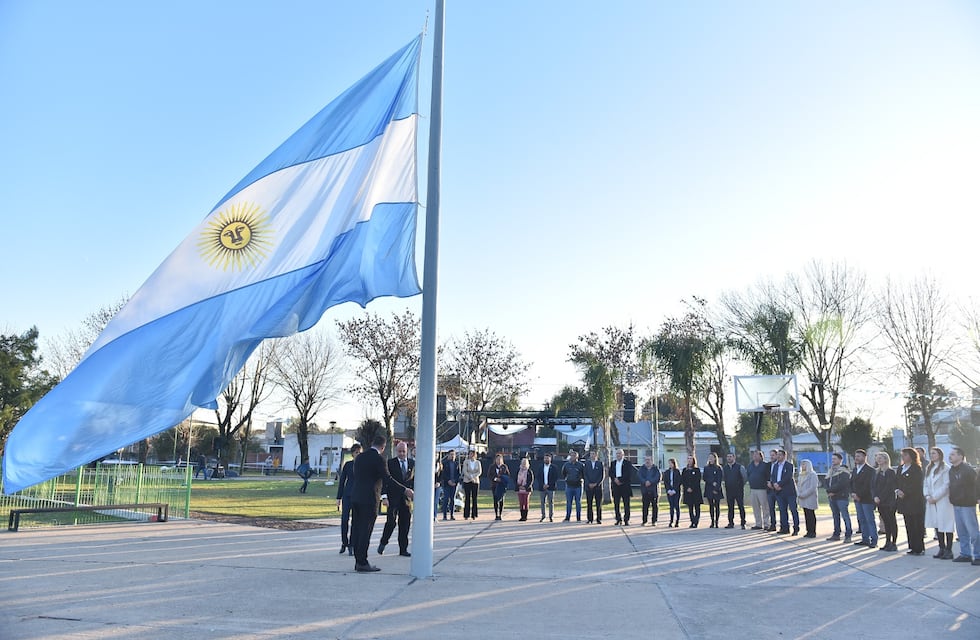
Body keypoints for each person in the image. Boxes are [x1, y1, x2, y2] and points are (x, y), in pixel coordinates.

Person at [351, 435, 405, 572]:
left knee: (357, 529)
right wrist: (404, 490)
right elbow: (387, 479)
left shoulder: (360, 457)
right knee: (366, 530)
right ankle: (362, 562)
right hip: (370, 499)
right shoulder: (379, 459)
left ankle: (358, 559)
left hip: (356, 497)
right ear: (383, 447)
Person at [378, 441, 415, 558]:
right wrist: (384, 497)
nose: (402, 454)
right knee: (391, 522)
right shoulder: (390, 463)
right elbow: (385, 481)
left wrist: (414, 493)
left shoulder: (412, 463)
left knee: (405, 524)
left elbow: (414, 480)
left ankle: (403, 549)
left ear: (407, 451)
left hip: (406, 500)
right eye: (399, 451)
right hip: (393, 498)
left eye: (404, 451)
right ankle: (383, 542)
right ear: (396, 451)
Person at [947, 446, 980, 565]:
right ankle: (965, 554)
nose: (950, 456)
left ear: (961, 456)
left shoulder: (968, 470)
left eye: (953, 454)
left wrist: (976, 498)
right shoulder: (951, 470)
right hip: (956, 504)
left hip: (967, 504)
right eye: (950, 454)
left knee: (973, 532)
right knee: (961, 532)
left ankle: (978, 555)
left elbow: (976, 485)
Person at [923, 447, 954, 559]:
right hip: (931, 500)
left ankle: (949, 550)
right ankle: (941, 548)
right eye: (930, 453)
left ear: (940, 455)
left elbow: (946, 485)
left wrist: (935, 497)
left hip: (943, 500)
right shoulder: (929, 468)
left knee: (946, 525)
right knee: (937, 525)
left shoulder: (945, 468)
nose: (932, 455)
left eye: (934, 453)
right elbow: (925, 483)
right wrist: (927, 495)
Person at [896, 447, 925, 555]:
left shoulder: (916, 468)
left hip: (914, 501)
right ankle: (912, 546)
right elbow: (896, 481)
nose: (903, 457)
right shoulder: (900, 468)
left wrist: (905, 492)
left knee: (917, 524)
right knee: (909, 524)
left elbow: (916, 485)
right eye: (902, 455)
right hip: (903, 501)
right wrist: (898, 490)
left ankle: (919, 547)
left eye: (906, 455)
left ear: (912, 456)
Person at [335, 443, 361, 556]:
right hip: (347, 495)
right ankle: (344, 542)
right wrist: (338, 497)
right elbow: (342, 481)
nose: (358, 455)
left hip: (358, 496)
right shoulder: (348, 465)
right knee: (344, 519)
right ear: (352, 454)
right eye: (356, 453)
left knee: (356, 521)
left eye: (360, 453)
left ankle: (352, 544)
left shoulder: (363, 465)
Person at [850, 449, 877, 549]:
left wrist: (859, 495)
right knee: (861, 519)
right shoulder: (854, 469)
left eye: (859, 456)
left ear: (865, 457)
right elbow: (851, 482)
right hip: (857, 499)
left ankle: (873, 539)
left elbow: (869, 485)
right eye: (856, 456)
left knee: (869, 519)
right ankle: (865, 538)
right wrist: (852, 493)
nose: (857, 458)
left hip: (867, 499)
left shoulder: (870, 470)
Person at [872, 451, 898, 552]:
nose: (878, 460)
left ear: (886, 459)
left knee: (891, 521)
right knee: (886, 522)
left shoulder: (890, 472)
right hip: (879, 501)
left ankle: (894, 543)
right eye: (877, 458)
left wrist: (881, 497)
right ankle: (887, 542)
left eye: (881, 458)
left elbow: (889, 487)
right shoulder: (877, 472)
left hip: (889, 501)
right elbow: (873, 486)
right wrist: (875, 496)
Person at [823, 452, 852, 542]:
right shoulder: (831, 470)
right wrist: (828, 490)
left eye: (835, 459)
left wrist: (832, 491)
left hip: (841, 497)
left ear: (840, 460)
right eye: (832, 459)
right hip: (832, 497)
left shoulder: (844, 471)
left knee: (845, 516)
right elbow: (826, 482)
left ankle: (848, 535)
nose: (833, 461)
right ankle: (836, 534)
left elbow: (842, 484)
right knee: (835, 516)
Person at [771, 449, 799, 535]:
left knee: (793, 510)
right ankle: (784, 528)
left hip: (789, 492)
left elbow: (788, 477)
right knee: (782, 510)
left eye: (780, 455)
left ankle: (796, 528)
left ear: (784, 456)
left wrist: (779, 484)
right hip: (779, 492)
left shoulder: (789, 465)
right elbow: (773, 476)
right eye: (777, 455)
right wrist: (774, 484)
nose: (778, 456)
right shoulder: (775, 466)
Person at [746, 450, 771, 531]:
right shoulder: (750, 465)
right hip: (753, 489)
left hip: (762, 489)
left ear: (761, 456)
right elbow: (748, 475)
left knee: (765, 507)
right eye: (754, 455)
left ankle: (767, 523)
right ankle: (758, 524)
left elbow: (768, 476)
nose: (755, 456)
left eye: (757, 455)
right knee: (755, 507)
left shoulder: (765, 465)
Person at [609, 449, 634, 526]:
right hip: (616, 486)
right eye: (617, 454)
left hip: (625, 485)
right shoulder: (613, 463)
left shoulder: (627, 463)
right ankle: (618, 519)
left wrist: (620, 480)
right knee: (616, 503)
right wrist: (615, 479)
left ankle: (626, 519)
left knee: (626, 504)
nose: (618, 455)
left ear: (623, 455)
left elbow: (628, 474)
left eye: (619, 453)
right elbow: (611, 473)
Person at [723, 452, 747, 529]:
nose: (729, 458)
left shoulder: (740, 467)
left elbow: (745, 478)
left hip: (738, 490)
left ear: (734, 457)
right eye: (728, 457)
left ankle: (743, 523)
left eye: (730, 456)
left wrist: (740, 485)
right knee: (730, 507)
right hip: (729, 490)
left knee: (741, 506)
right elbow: (724, 478)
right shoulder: (725, 468)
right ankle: (730, 522)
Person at [797, 459, 819, 538]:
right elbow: (799, 485)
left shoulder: (812, 474)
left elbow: (812, 487)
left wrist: (804, 494)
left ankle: (812, 531)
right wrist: (799, 493)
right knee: (806, 514)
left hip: (810, 497)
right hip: (802, 498)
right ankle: (808, 531)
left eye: (804, 464)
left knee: (811, 514)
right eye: (802, 465)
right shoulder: (801, 475)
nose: (802, 466)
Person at [637, 455, 661, 526]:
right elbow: (639, 476)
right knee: (645, 506)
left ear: (652, 461)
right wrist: (645, 482)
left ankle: (654, 521)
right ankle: (644, 521)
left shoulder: (656, 469)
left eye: (649, 460)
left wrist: (650, 482)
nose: (647, 461)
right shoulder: (642, 469)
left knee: (655, 506)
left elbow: (658, 477)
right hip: (645, 491)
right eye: (646, 460)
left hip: (654, 491)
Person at [562, 450, 586, 522]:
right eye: (571, 455)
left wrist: (580, 479)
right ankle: (567, 517)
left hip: (578, 486)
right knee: (569, 502)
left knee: (578, 502)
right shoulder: (566, 465)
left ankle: (578, 517)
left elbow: (584, 475)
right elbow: (563, 473)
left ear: (577, 457)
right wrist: (567, 479)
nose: (572, 457)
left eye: (574, 456)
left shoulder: (581, 465)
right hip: (569, 486)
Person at [703, 452, 724, 528]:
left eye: (712, 457)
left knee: (717, 506)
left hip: (717, 489)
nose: (710, 458)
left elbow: (720, 479)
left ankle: (717, 521)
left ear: (715, 458)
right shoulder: (706, 468)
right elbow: (705, 478)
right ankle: (712, 521)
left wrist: (716, 488)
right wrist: (712, 482)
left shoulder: (718, 468)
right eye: (709, 457)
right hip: (709, 488)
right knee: (711, 506)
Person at [681, 455, 703, 528]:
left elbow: (697, 480)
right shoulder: (685, 470)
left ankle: (696, 522)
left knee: (697, 507)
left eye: (691, 459)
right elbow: (683, 480)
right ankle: (692, 521)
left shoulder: (697, 470)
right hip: (687, 492)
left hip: (696, 491)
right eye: (688, 459)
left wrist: (692, 488)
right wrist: (687, 488)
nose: (689, 460)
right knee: (690, 507)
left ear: (693, 460)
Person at [583, 451, 605, 524]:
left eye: (594, 454)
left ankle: (599, 519)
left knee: (598, 503)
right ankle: (590, 519)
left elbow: (602, 475)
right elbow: (585, 475)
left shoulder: (600, 464)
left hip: (598, 487)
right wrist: (589, 483)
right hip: (589, 487)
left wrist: (596, 483)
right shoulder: (586, 464)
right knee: (589, 503)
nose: (592, 455)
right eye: (591, 454)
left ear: (596, 455)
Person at [461, 449, 482, 521]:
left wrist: (474, 477)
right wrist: (470, 477)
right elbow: (464, 471)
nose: (471, 455)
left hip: (475, 481)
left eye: (473, 454)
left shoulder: (478, 462)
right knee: (467, 498)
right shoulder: (466, 462)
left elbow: (479, 472)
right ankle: (466, 514)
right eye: (470, 454)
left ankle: (474, 514)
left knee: (474, 498)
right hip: (467, 481)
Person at [536, 453, 558, 522]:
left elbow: (555, 477)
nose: (546, 459)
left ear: (550, 459)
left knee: (551, 502)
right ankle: (543, 516)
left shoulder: (554, 467)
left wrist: (548, 484)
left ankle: (551, 516)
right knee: (542, 502)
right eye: (545, 458)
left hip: (551, 487)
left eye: (548, 458)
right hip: (542, 487)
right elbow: (538, 477)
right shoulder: (540, 467)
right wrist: (543, 484)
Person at [489, 453, 511, 521]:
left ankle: (500, 514)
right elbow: (489, 475)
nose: (498, 461)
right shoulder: (492, 466)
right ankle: (496, 514)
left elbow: (508, 475)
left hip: (502, 486)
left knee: (501, 500)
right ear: (495, 460)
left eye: (500, 459)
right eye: (497, 459)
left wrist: (502, 479)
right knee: (495, 500)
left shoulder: (504, 467)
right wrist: (495, 479)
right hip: (494, 485)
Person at [440, 450, 460, 520]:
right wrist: (448, 480)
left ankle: (452, 515)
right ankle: (444, 515)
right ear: (448, 455)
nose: (452, 456)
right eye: (451, 454)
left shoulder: (457, 464)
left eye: (454, 455)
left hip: (454, 484)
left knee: (452, 499)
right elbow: (443, 474)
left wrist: (455, 481)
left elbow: (458, 474)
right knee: (446, 499)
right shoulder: (444, 463)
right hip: (446, 484)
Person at [663, 458, 682, 527]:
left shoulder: (677, 472)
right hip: (669, 491)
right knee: (671, 506)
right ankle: (671, 521)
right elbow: (666, 482)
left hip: (676, 491)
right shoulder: (666, 472)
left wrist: (674, 490)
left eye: (671, 463)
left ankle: (677, 521)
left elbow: (678, 482)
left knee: (677, 506)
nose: (670, 465)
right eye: (669, 463)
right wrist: (669, 490)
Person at [765, 449, 779, 531]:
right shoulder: (768, 465)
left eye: (773, 455)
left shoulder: (780, 465)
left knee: (781, 508)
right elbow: (765, 475)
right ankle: (773, 525)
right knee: (771, 508)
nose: (771, 457)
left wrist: (775, 484)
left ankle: (784, 525)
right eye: (771, 455)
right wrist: (768, 483)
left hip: (778, 489)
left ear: (777, 455)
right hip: (769, 490)